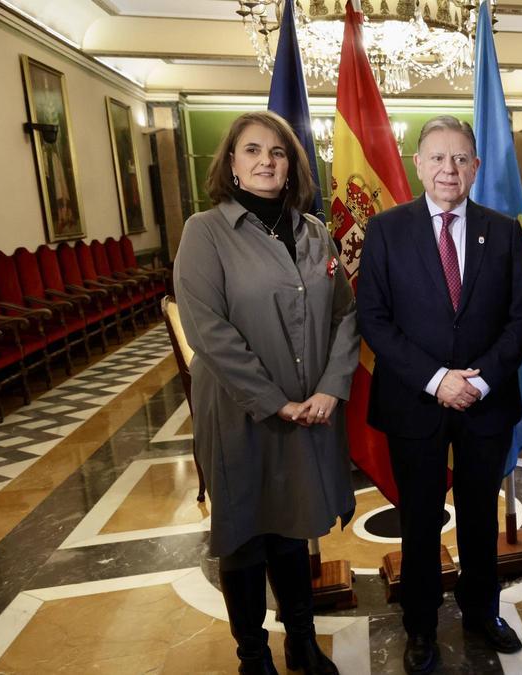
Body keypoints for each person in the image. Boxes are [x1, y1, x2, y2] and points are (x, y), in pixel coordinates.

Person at [175, 110, 358, 675]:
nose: (265, 161)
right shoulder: (204, 232)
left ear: (291, 164)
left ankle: (301, 642)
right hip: (240, 411)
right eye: (252, 150)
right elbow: (206, 330)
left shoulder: (315, 233)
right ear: (231, 163)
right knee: (245, 535)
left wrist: (331, 388)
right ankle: (252, 657)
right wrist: (275, 401)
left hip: (310, 409)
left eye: (277, 152)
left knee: (292, 527)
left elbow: (345, 315)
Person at [356, 116, 522, 675]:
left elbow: (521, 316)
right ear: (418, 164)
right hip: (416, 401)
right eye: (437, 157)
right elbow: (374, 319)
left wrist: (479, 380)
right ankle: (421, 625)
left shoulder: (504, 231)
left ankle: (482, 611)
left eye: (460, 158)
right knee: (419, 519)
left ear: (476, 167)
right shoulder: (386, 229)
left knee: (480, 515)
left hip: (485, 401)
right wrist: (438, 379)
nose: (448, 169)